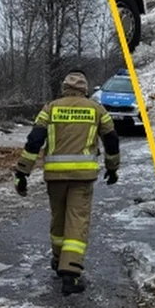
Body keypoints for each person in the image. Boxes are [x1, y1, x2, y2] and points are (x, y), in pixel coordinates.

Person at [14, 70, 120, 295]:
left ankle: (57, 260)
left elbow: (34, 141)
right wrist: (112, 168)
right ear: (85, 88)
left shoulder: (50, 108)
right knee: (77, 221)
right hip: (82, 177)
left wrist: (22, 172)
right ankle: (70, 274)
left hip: (55, 177)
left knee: (59, 219)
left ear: (64, 88)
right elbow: (111, 139)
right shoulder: (96, 109)